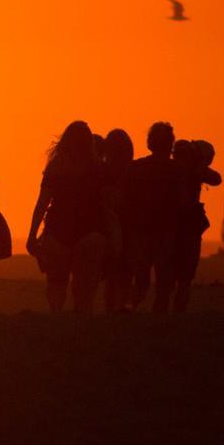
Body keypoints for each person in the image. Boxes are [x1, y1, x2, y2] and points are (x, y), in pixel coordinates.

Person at [26, 121, 108, 314]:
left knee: (56, 288)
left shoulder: (56, 167)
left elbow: (42, 204)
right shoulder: (98, 168)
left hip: (57, 234)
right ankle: (80, 331)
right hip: (89, 234)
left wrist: (32, 235)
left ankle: (57, 329)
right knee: (85, 293)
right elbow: (106, 203)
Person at [125, 122, 184, 310]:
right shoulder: (177, 170)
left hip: (143, 229)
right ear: (170, 144)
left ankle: (130, 309)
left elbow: (127, 199)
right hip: (164, 230)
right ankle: (158, 313)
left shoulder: (137, 168)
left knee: (142, 275)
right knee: (163, 276)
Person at [160, 139, 221, 313]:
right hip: (185, 227)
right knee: (183, 277)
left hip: (172, 225)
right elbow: (216, 179)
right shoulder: (193, 171)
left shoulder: (173, 169)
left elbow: (216, 179)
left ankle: (164, 312)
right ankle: (175, 312)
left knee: (173, 276)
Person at [99, 128, 135, 313]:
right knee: (123, 270)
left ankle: (113, 306)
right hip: (126, 226)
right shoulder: (134, 171)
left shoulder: (101, 171)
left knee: (115, 271)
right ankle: (121, 305)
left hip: (113, 227)